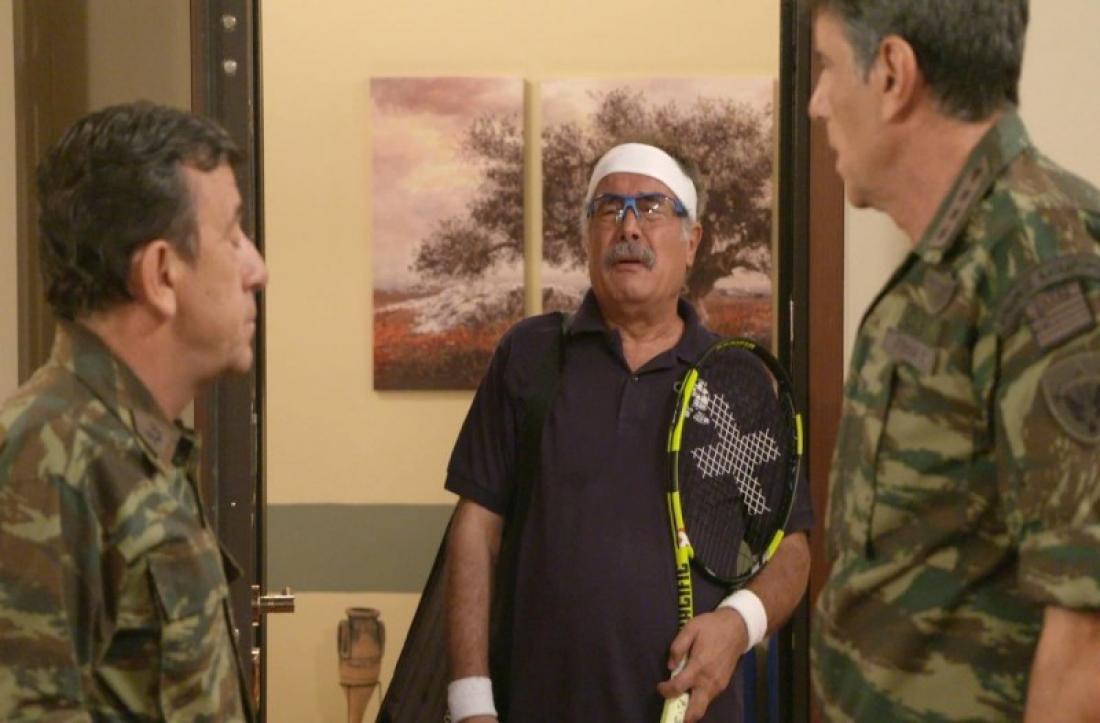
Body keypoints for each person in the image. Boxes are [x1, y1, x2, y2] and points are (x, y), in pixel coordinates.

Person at [443, 142, 813, 722]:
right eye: (609, 208)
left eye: (653, 207)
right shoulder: (530, 356)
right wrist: (470, 701)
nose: (629, 226)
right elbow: (476, 529)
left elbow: (791, 549)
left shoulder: (736, 380)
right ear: (587, 237)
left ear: (692, 241)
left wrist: (738, 626)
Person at [808, 1, 1100, 720]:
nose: (817, 102)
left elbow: (1088, 639)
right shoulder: (959, 255)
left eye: (827, 66)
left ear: (892, 74)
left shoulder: (1044, 260)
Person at [0, 101, 268, 720]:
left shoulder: (139, 448)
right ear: (160, 274)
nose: (256, 268)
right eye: (232, 236)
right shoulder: (46, 461)